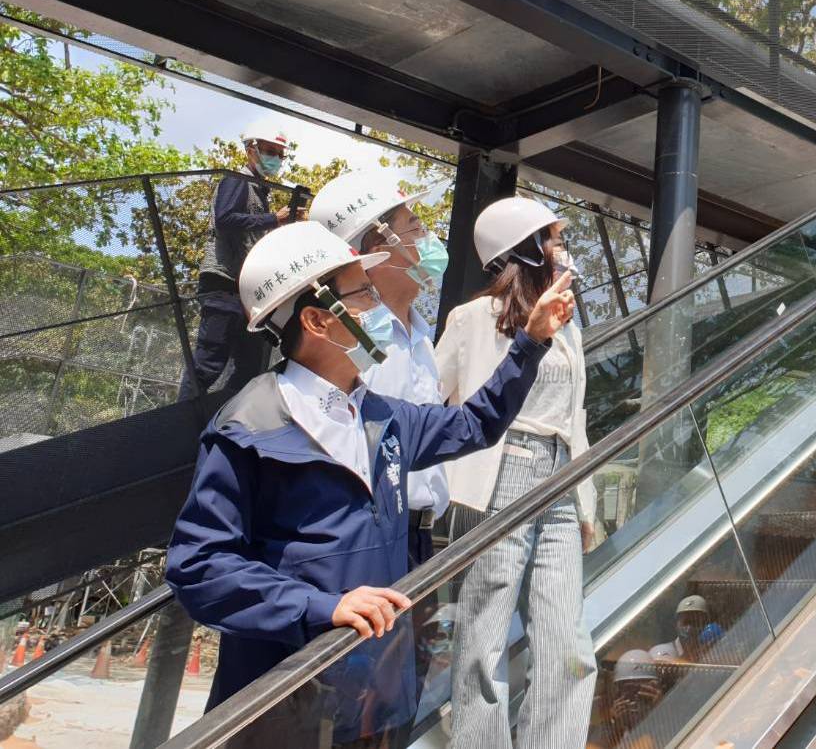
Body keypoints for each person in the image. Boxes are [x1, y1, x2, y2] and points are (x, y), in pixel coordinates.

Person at [164, 221, 576, 748]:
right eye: (364, 294)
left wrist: (530, 343)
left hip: (377, 700)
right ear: (316, 318)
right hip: (284, 703)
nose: (379, 307)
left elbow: (474, 424)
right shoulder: (249, 429)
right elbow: (198, 566)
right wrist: (319, 607)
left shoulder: (381, 416)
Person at [436, 196, 600, 749]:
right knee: (483, 642)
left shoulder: (567, 324)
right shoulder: (471, 319)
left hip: (559, 475)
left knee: (568, 645)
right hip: (500, 475)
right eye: (553, 239)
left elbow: (574, 420)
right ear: (525, 249)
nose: (563, 251)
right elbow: (432, 407)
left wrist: (585, 502)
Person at [309, 171, 451, 569]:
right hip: (367, 540)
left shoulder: (421, 338)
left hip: (418, 538)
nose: (428, 241)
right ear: (378, 245)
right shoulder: (349, 343)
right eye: (415, 227)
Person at [178, 119, 293, 401]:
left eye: (280, 155)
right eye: (270, 151)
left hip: (244, 290)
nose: (276, 159)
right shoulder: (237, 179)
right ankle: (179, 420)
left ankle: (217, 414)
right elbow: (225, 218)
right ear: (251, 150)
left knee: (251, 366)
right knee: (209, 362)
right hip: (224, 284)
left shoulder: (259, 189)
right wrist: (272, 218)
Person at [648, 595, 719, 664]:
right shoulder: (664, 652)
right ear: (676, 624)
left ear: (705, 624)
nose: (689, 628)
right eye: (685, 623)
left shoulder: (712, 652)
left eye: (694, 623)